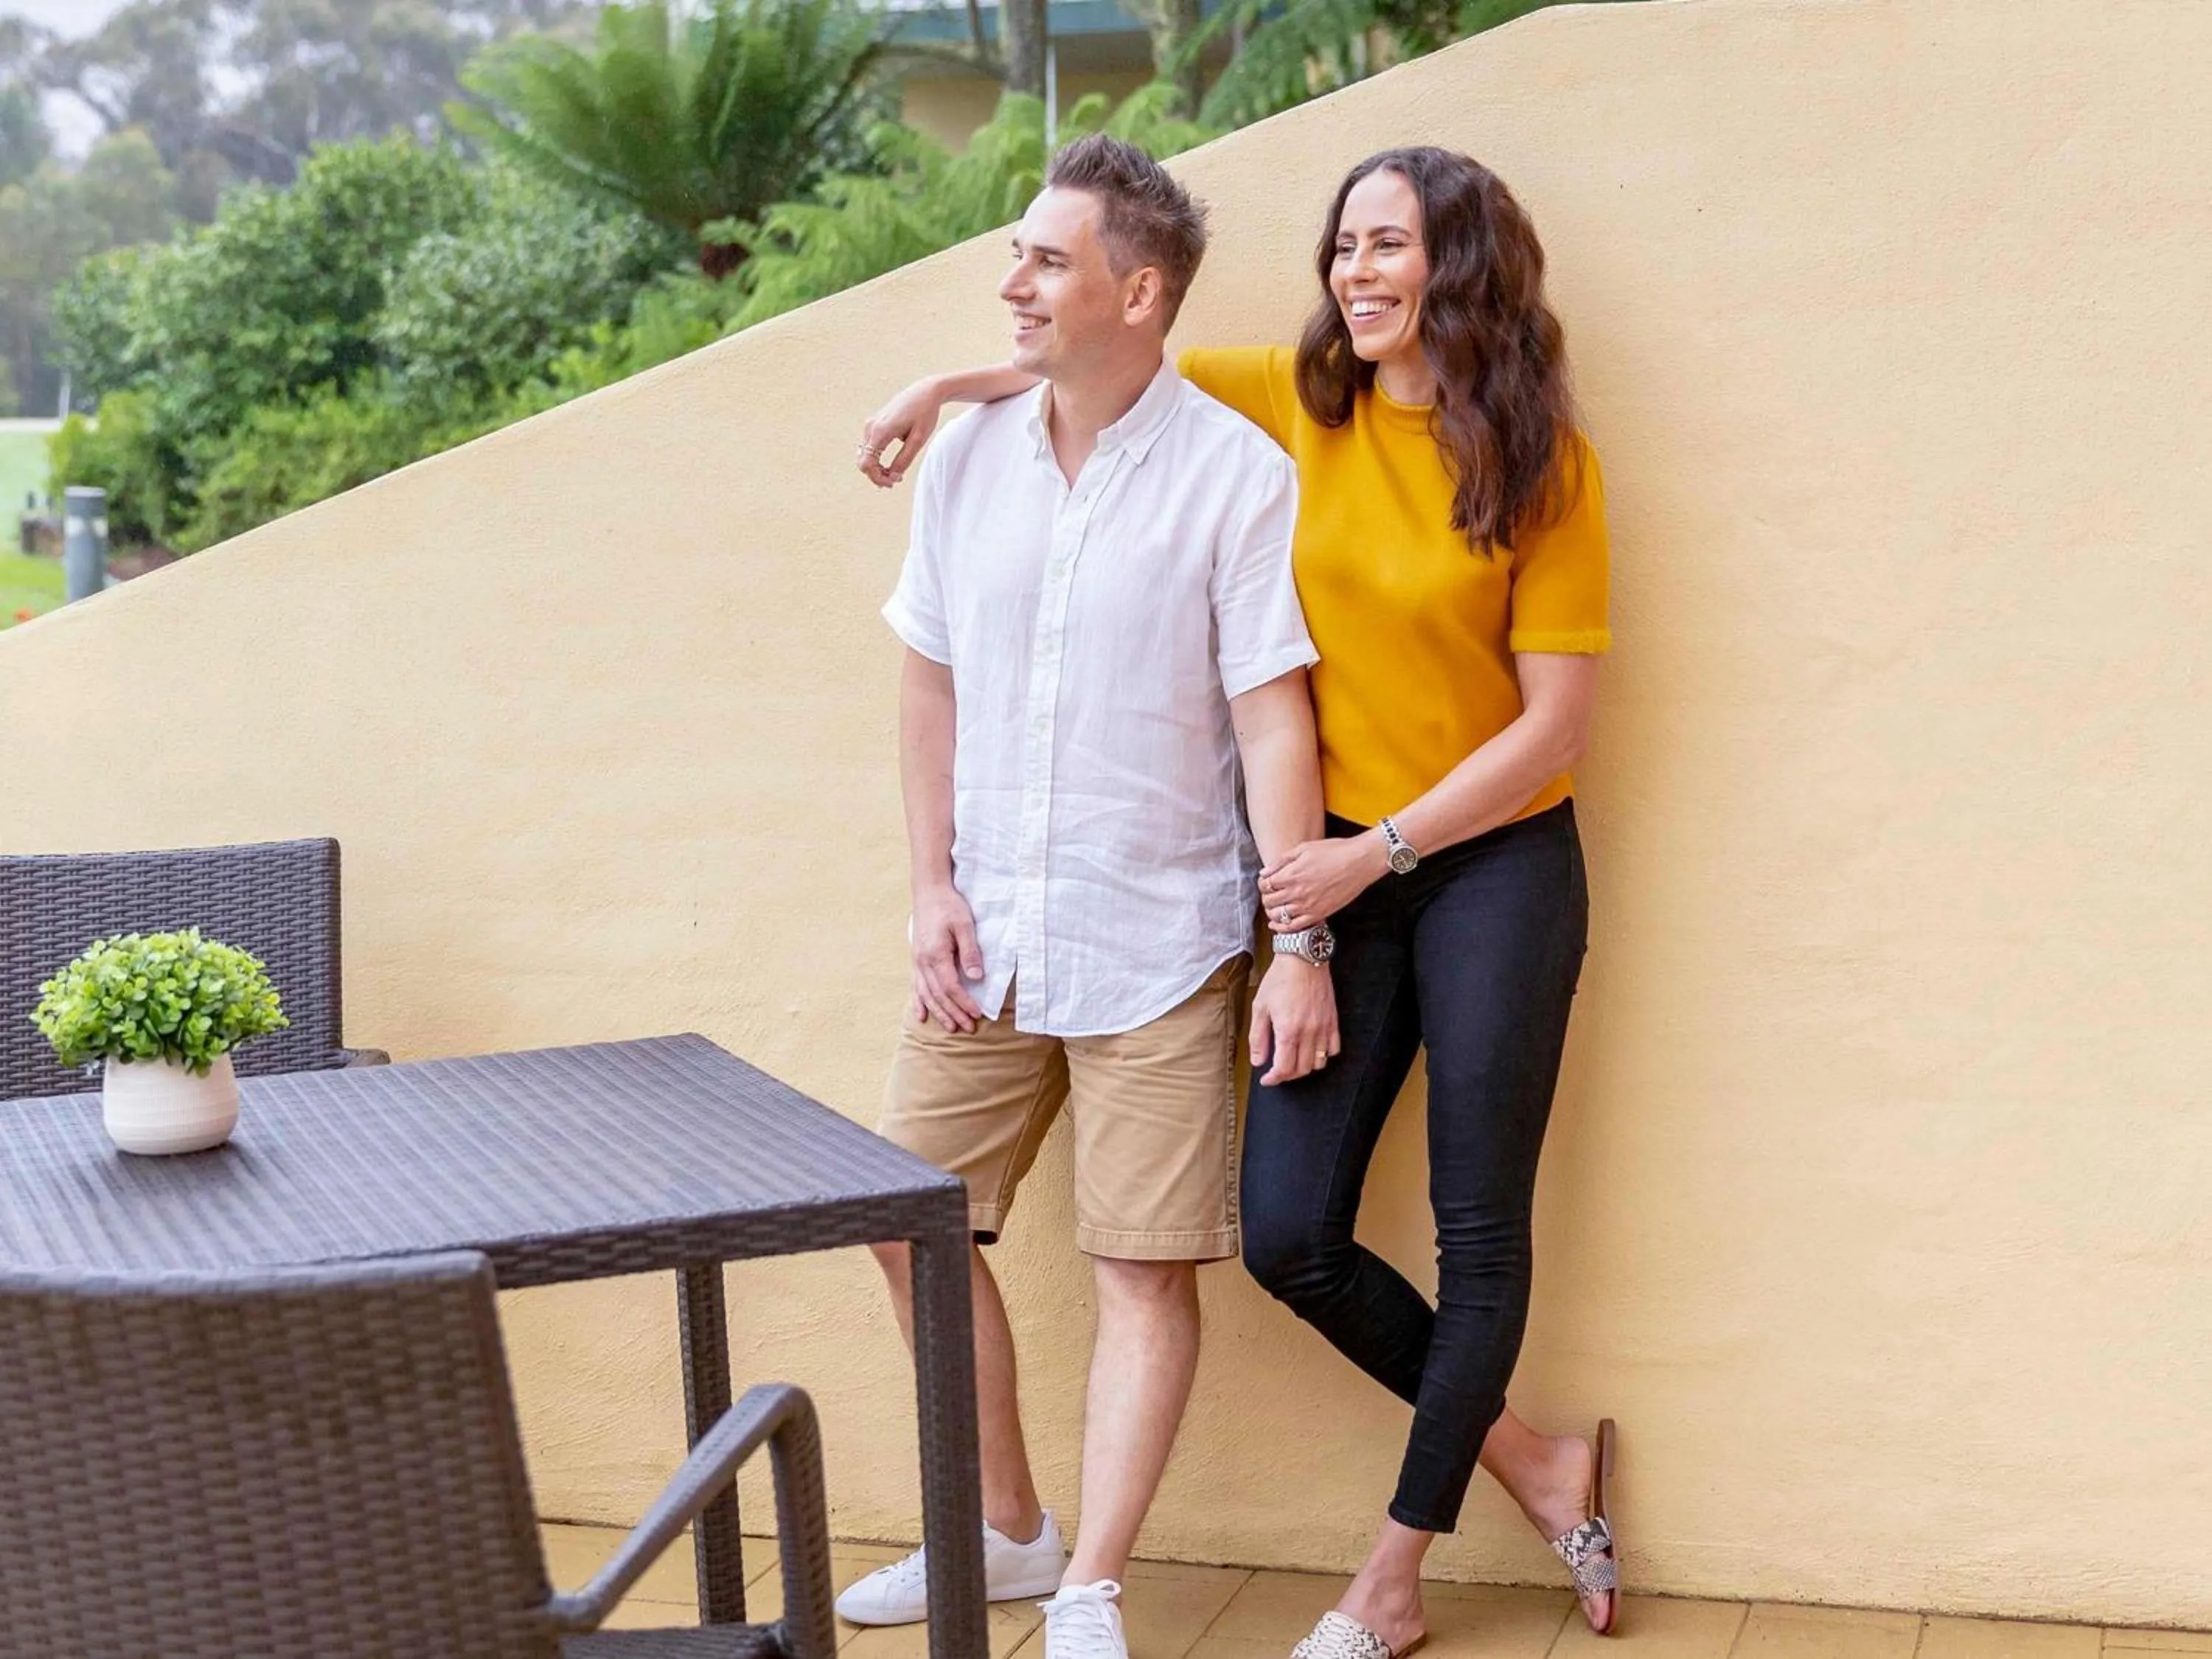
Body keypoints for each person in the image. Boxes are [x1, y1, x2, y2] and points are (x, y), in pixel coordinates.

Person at [858, 147, 1618, 1658]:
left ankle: (1391, 1583)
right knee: (1287, 1238)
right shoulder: (1294, 404)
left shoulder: (1543, 464)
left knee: (1479, 1226)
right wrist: (938, 395)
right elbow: (1085, 367)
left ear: (1460, 261)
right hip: (1320, 869)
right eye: (1345, 246)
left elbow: (1553, 730)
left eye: (1390, 244)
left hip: (1485, 866)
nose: (1356, 272)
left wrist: (1362, 865)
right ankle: (1538, 1462)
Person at [843, 133, 1343, 1659]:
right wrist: (925, 886)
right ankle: (1005, 1530)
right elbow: (926, 685)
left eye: (1044, 261)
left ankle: (1089, 1589)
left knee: (1141, 1268)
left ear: (1141, 291)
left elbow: (1274, 717)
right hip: (983, 934)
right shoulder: (973, 457)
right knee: (901, 1211)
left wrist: (1296, 940)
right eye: (1015, 255)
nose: (1012, 283)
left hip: (1163, 939)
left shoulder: (1235, 476)